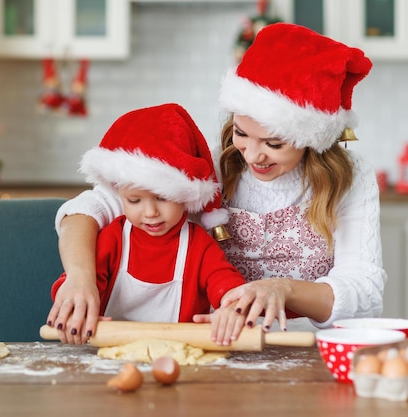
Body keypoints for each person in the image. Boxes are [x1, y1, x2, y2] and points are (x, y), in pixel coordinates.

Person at [46, 23, 386, 346]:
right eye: (241, 133)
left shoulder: (351, 178)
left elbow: (365, 292)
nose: (253, 155)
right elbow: (88, 209)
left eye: (274, 144)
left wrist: (284, 289)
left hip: (303, 346)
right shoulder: (209, 169)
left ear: (311, 136)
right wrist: (79, 277)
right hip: (215, 341)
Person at [47, 103, 247, 345]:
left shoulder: (199, 246)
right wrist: (72, 299)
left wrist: (232, 306)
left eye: (162, 198)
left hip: (178, 356)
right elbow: (79, 285)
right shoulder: (113, 238)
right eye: (134, 200)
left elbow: (224, 282)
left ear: (185, 194)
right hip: (110, 355)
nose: (150, 212)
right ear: (119, 195)